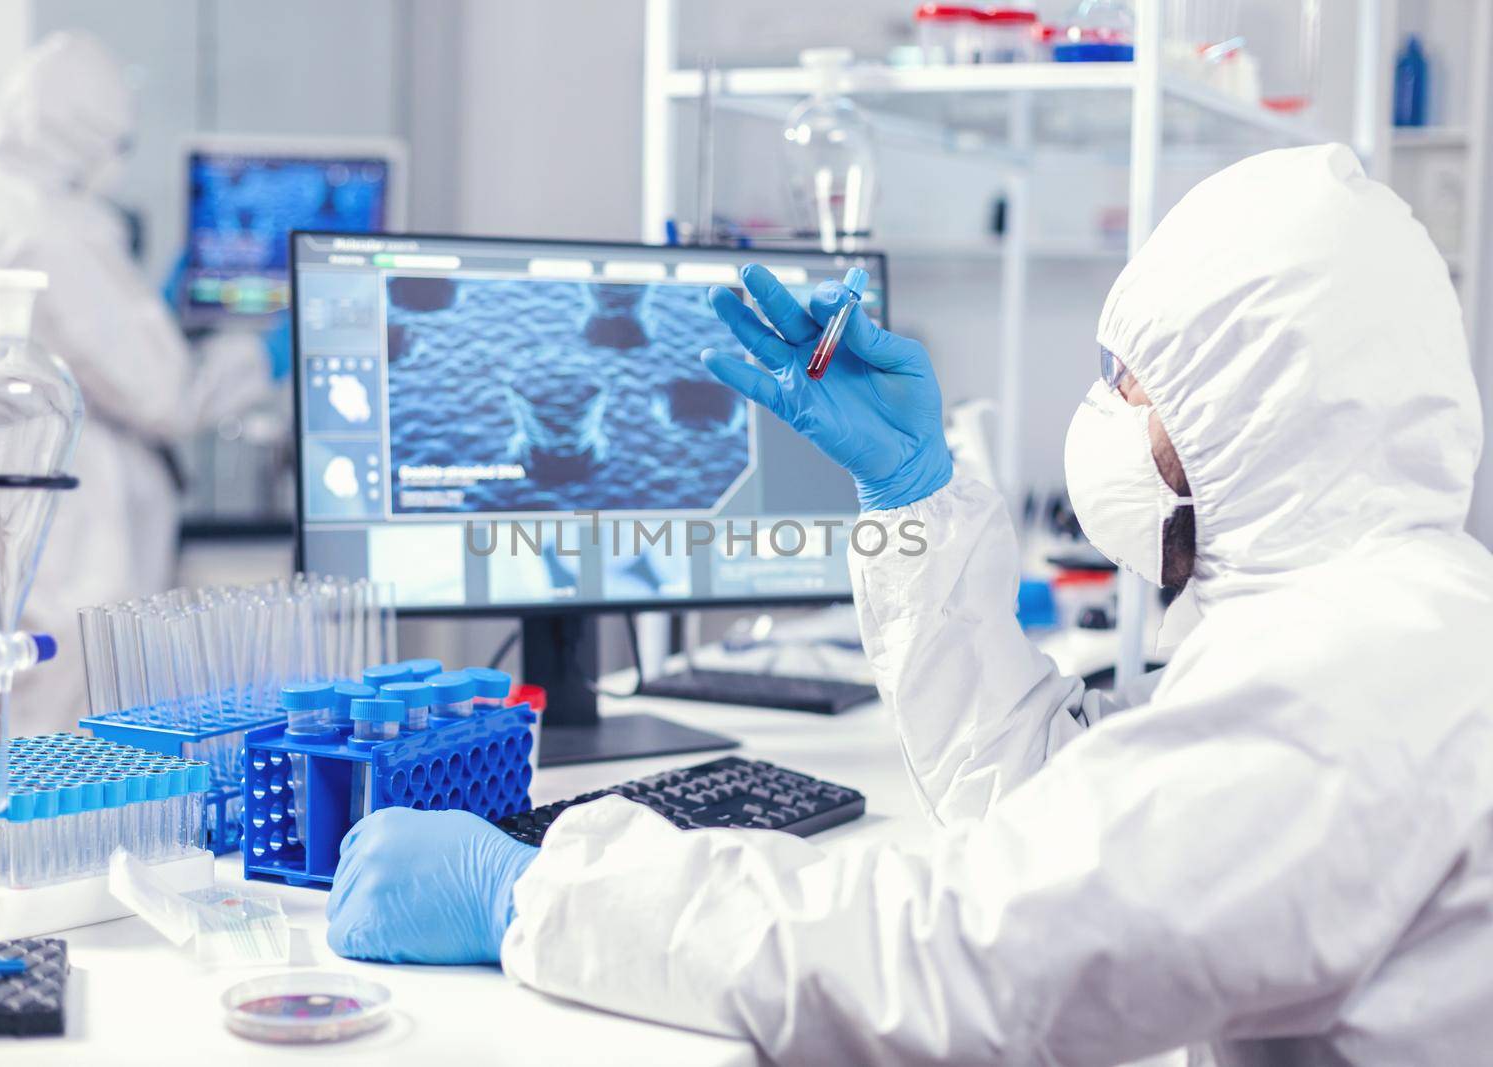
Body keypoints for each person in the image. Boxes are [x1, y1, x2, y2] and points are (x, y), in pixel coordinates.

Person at [325, 145, 1493, 1064]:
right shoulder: (1378, 610)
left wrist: (534, 891)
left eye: (1124, 380)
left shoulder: (1351, 678)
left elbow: (966, 952)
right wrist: (916, 498)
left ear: (1246, 411)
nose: (1100, 410)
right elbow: (1072, 826)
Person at [0, 31, 274, 743]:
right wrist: (250, 356)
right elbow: (164, 394)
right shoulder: (50, 231)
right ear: (87, 134)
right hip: (68, 544)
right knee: (68, 770)